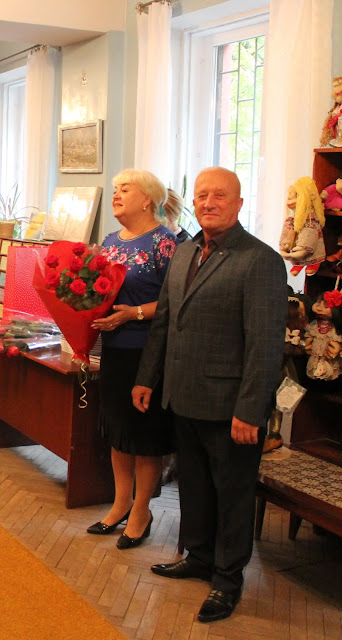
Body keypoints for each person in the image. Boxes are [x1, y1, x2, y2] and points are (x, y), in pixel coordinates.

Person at [132, 166, 287, 623]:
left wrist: (251, 410)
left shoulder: (259, 260)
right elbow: (165, 322)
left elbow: (265, 344)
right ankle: (198, 557)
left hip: (230, 408)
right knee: (194, 487)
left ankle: (227, 580)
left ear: (238, 203)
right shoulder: (184, 252)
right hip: (183, 396)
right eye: (202, 195)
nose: (208, 203)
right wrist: (146, 377)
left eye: (220, 196)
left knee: (233, 496)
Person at [86, 169, 177, 550]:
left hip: (148, 352)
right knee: (119, 431)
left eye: (125, 189)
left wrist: (133, 314)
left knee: (144, 436)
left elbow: (176, 300)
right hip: (114, 349)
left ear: (147, 200)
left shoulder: (164, 242)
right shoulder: (109, 241)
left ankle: (141, 512)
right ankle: (120, 504)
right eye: (115, 189)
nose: (116, 194)